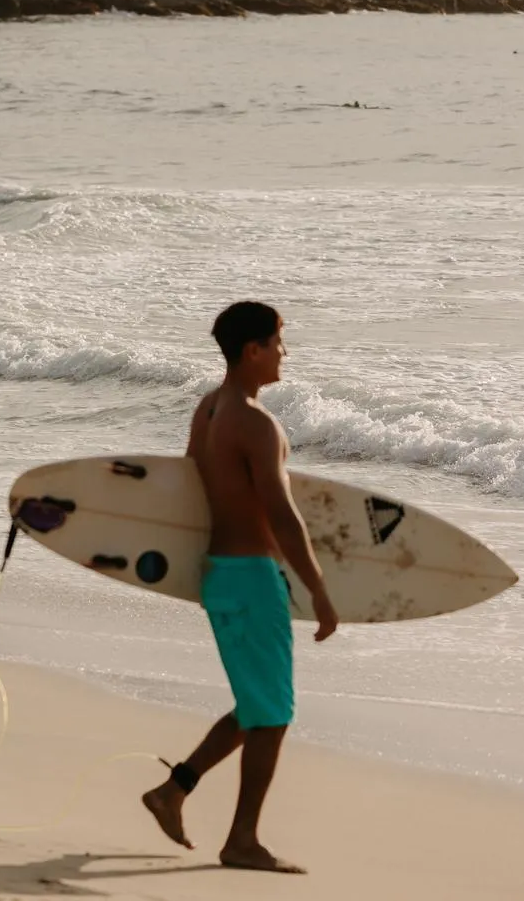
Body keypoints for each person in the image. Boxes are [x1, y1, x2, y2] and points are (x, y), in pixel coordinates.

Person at [141, 301, 339, 874]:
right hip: (252, 578)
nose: (285, 352)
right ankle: (243, 841)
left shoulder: (208, 411)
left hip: (218, 576)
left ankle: (173, 790)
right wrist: (319, 588)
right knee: (272, 713)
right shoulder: (257, 423)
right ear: (252, 350)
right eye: (279, 341)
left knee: (257, 704)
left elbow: (188, 489)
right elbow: (282, 514)